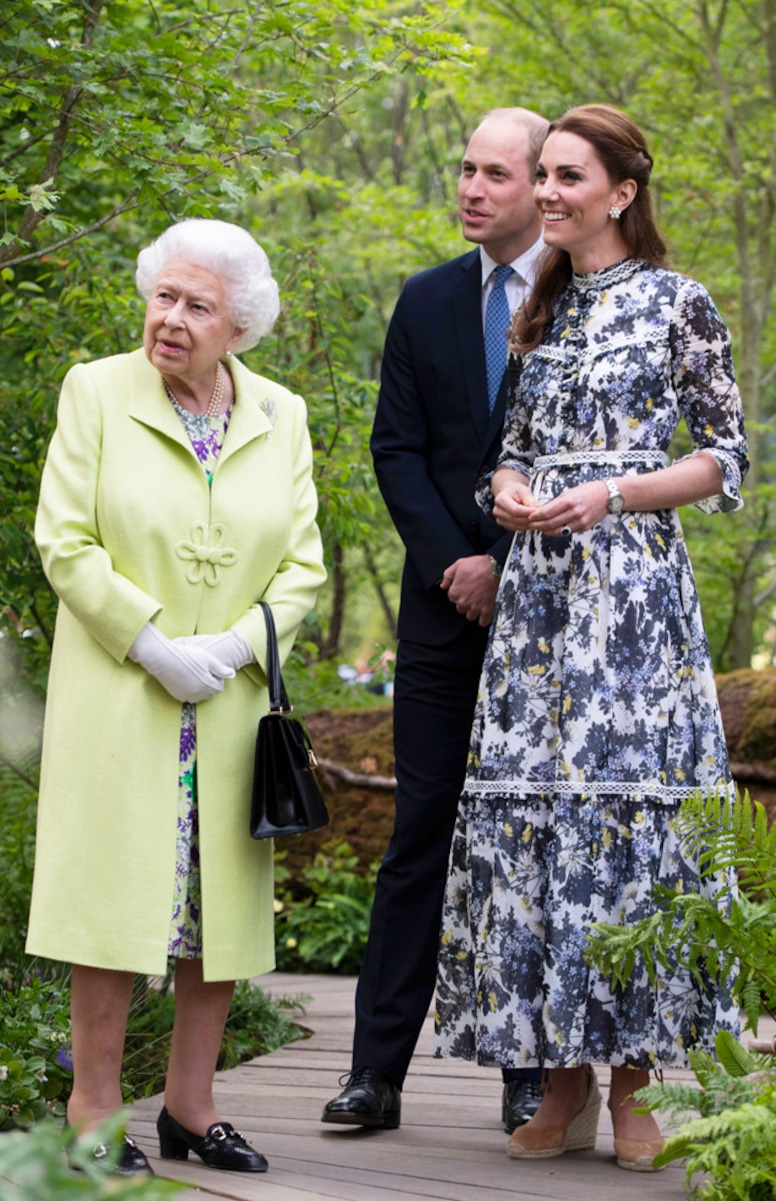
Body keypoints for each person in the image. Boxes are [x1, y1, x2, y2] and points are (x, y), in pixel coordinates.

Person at [434, 103, 748, 1172]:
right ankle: (558, 1083)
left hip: (631, 601)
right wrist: (510, 489)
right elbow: (513, 450)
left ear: (622, 192)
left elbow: (724, 459)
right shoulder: (544, 308)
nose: (548, 193)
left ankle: (635, 1088)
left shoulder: (677, 302)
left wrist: (612, 495)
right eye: (545, 176)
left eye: (568, 177)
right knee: (542, 824)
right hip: (538, 607)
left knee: (627, 825)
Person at [27, 219, 326, 1175]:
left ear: (239, 326)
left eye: (199, 306)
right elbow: (65, 539)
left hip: (229, 705)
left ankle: (191, 1109)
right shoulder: (97, 391)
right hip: (124, 694)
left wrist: (237, 646)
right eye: (165, 296)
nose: (172, 319)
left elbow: (303, 564)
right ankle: (92, 1112)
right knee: (112, 906)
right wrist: (152, 645)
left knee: (214, 912)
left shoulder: (281, 413)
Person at [321, 108, 549, 1134]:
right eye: (465, 169)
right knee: (418, 832)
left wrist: (506, 562)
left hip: (548, 616)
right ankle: (373, 1075)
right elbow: (395, 450)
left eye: (494, 173)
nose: (470, 187)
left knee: (525, 839)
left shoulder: (585, 301)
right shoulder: (425, 299)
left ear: (540, 184)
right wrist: (456, 562)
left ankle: (528, 1076)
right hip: (438, 611)